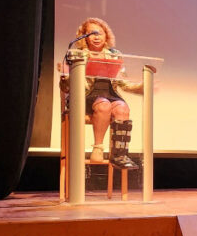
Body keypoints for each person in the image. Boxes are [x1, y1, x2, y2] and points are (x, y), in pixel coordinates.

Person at [59, 17, 140, 169]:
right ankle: (98, 148)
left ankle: (119, 154)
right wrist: (66, 77)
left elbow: (123, 82)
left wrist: (142, 87)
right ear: (84, 37)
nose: (96, 37)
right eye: (91, 33)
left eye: (100, 33)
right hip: (85, 97)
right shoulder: (76, 54)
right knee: (104, 105)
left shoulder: (114, 55)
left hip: (109, 94)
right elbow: (67, 86)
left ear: (106, 36)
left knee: (122, 108)